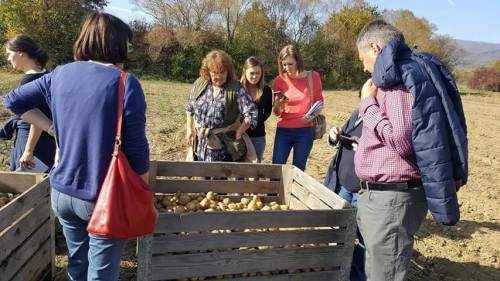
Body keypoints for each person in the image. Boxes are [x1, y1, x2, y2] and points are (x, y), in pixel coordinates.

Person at [4, 12, 152, 281]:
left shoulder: (59, 74)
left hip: (61, 191)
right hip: (102, 196)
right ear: (115, 43)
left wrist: (52, 128)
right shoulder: (125, 83)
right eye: (127, 43)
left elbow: (12, 101)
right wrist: (142, 188)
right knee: (101, 274)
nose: (129, 49)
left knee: (77, 265)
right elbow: (137, 148)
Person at [354, 20, 467, 281]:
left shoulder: (396, 79)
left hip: (392, 199)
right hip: (389, 199)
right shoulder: (402, 74)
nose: (363, 66)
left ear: (375, 47)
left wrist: (367, 105)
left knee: (386, 274)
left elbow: (402, 139)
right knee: (381, 268)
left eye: (363, 58)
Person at [186, 50, 258, 163]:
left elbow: (252, 113)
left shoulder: (236, 88)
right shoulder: (200, 84)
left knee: (220, 179)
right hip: (201, 145)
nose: (218, 76)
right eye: (214, 72)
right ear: (208, 71)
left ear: (228, 72)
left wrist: (239, 132)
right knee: (202, 177)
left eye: (222, 72)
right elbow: (190, 108)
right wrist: (189, 129)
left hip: (224, 148)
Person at [324, 94, 365, 281]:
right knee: (338, 229)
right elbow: (342, 137)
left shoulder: (381, 121)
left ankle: (356, 275)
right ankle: (335, 270)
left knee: (362, 238)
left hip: (362, 190)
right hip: (344, 185)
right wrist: (335, 135)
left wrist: (365, 149)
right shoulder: (358, 114)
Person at [1, 35, 55, 172]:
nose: (8, 58)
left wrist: (28, 150)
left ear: (20, 52)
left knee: (27, 187)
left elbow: (37, 119)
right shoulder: (46, 75)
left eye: (9, 54)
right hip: (48, 143)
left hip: (34, 144)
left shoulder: (30, 80)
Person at [272, 44, 324, 171]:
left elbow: (319, 102)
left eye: (290, 64)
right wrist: (278, 105)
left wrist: (311, 115)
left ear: (298, 61)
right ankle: (274, 192)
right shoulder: (279, 81)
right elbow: (276, 113)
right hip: (283, 131)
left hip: (305, 131)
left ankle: (292, 192)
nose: (286, 68)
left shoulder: (313, 77)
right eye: (283, 64)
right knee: (276, 169)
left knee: (298, 170)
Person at [240, 56, 272, 162]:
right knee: (238, 170)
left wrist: (257, 121)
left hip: (258, 137)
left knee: (255, 169)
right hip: (239, 135)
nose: (255, 76)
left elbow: (267, 111)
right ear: (245, 72)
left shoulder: (266, 90)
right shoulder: (238, 89)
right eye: (252, 73)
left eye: (258, 73)